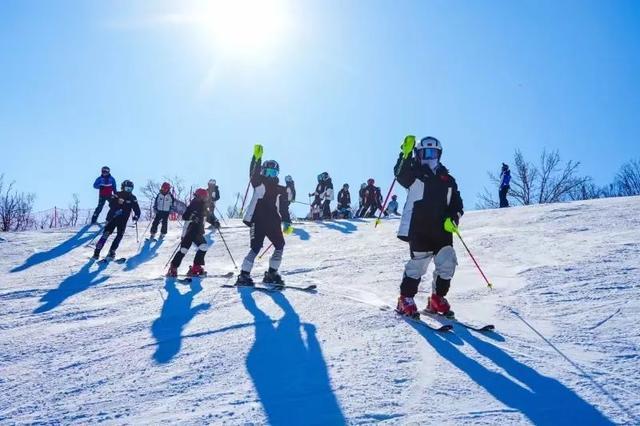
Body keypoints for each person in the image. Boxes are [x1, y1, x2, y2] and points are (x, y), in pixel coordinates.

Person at [394, 136, 464, 318]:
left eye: (433, 153)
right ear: (418, 154)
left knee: (447, 262)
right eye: (425, 152)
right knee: (418, 264)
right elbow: (400, 174)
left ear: (439, 154)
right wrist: (405, 154)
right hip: (419, 226)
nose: (429, 157)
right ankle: (405, 298)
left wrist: (453, 218)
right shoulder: (414, 174)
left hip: (442, 229)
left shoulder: (448, 179)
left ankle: (437, 298)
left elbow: (457, 204)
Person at [237, 145, 292, 286]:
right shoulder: (259, 182)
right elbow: (253, 174)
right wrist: (257, 158)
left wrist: (287, 222)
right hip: (257, 220)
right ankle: (244, 275)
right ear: (263, 171)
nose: (270, 176)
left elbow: (284, 207)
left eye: (274, 173)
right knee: (255, 247)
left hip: (273, 221)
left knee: (280, 245)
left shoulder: (280, 189)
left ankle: (272, 273)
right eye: (268, 172)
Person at [92, 180, 140, 260]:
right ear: (123, 187)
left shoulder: (132, 198)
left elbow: (137, 209)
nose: (128, 190)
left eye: (130, 189)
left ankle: (112, 251)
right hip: (112, 218)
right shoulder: (117, 194)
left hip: (123, 220)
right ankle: (97, 252)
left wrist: (136, 216)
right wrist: (118, 203)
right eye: (127, 188)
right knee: (106, 234)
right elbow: (111, 204)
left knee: (119, 235)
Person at [166, 188, 210, 277]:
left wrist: (215, 221)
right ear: (199, 196)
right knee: (184, 250)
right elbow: (185, 216)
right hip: (190, 231)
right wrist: (193, 217)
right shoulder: (193, 204)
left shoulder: (204, 206)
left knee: (203, 247)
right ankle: (173, 267)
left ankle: (196, 267)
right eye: (204, 197)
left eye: (206, 197)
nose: (205, 199)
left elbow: (209, 216)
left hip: (198, 232)